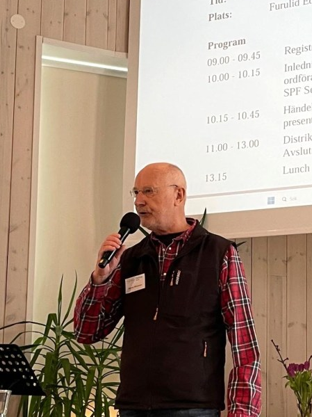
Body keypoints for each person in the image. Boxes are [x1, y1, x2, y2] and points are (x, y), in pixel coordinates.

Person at [74, 163, 261, 417]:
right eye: (136, 192)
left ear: (178, 195)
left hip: (193, 408)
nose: (138, 201)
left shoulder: (218, 254)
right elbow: (86, 332)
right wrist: (100, 278)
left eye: (148, 191)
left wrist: (243, 412)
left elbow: (244, 345)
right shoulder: (131, 258)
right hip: (134, 407)